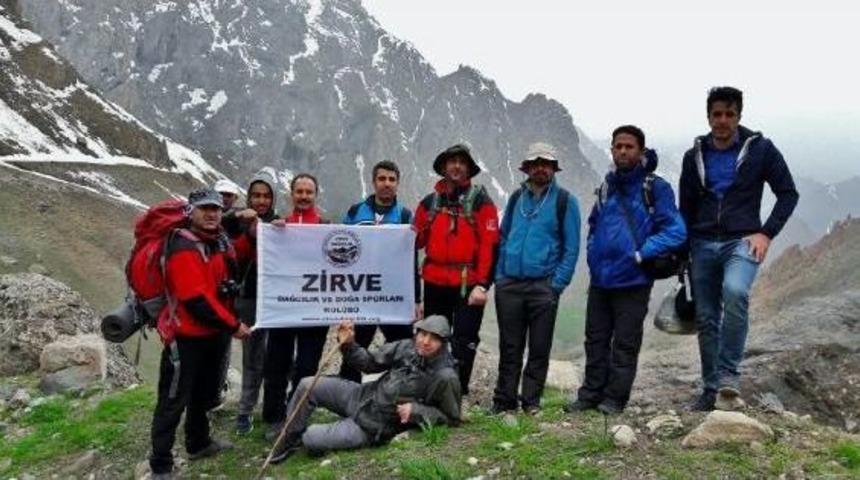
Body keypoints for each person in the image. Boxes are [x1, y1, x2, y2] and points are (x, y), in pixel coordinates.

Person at [679, 87, 798, 411]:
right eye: (717, 114)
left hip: (742, 240)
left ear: (739, 116)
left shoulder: (761, 149)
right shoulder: (695, 156)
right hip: (701, 243)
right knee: (705, 317)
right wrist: (683, 249)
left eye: (729, 114)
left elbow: (788, 193)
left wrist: (766, 233)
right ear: (708, 116)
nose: (722, 120)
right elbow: (685, 206)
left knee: (735, 292)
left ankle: (728, 375)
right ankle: (710, 388)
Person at [566, 125, 687, 415]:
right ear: (612, 150)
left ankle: (614, 399)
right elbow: (594, 224)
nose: (622, 151)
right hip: (601, 279)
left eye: (629, 146)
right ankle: (589, 395)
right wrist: (594, 256)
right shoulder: (607, 186)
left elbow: (677, 230)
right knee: (595, 340)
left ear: (641, 151)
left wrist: (642, 252)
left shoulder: (654, 187)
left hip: (633, 279)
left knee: (625, 343)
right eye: (618, 146)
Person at [148, 189, 251, 479]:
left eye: (216, 209)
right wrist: (233, 325)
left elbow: (232, 269)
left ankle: (198, 442)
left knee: (203, 393)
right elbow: (195, 300)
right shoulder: (182, 245)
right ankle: (160, 464)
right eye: (205, 208)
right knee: (172, 399)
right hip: (186, 337)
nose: (212, 213)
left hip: (212, 335)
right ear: (190, 211)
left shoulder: (217, 240)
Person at [269, 316, 461, 463]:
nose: (425, 341)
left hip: (372, 427)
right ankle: (288, 439)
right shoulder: (407, 347)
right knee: (306, 385)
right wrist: (349, 344)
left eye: (433, 339)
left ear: (443, 344)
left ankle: (315, 435)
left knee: (311, 437)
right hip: (361, 396)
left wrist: (417, 411)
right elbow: (369, 363)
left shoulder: (445, 377)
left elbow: (451, 417)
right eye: (422, 334)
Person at [492, 142, 581, 414]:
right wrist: (500, 274)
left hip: (543, 286)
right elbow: (504, 235)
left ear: (554, 168)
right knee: (509, 347)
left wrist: (556, 285)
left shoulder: (566, 201)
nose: (541, 168)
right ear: (527, 167)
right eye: (536, 163)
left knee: (539, 347)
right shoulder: (517, 198)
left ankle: (531, 402)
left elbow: (572, 246)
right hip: (509, 284)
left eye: (547, 163)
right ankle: (504, 402)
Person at [413, 144, 499, 395]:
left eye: (462, 162)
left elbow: (490, 246)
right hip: (435, 281)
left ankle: (456, 392)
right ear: (443, 167)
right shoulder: (429, 202)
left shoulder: (482, 202)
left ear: (469, 169)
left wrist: (483, 284)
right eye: (452, 161)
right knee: (432, 337)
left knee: (464, 340)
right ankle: (430, 389)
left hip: (468, 283)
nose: (457, 166)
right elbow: (414, 242)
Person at [263, 173, 331, 439]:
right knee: (276, 365)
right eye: (299, 191)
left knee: (306, 367)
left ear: (316, 195)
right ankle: (273, 417)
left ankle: (296, 416)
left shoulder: (326, 226)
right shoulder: (279, 227)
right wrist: (272, 233)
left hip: (315, 309)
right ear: (291, 194)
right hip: (284, 308)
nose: (304, 196)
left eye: (309, 192)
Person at [338, 160, 420, 383]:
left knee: (404, 347)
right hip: (362, 293)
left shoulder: (404, 215)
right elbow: (341, 251)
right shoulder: (355, 212)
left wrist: (416, 299)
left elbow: (411, 260)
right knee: (354, 346)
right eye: (382, 179)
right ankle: (345, 398)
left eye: (392, 179)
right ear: (373, 182)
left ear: (398, 184)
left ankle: (400, 397)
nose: (387, 183)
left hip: (392, 295)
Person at [232, 169, 280, 434]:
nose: (261, 201)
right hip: (249, 299)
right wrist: (250, 235)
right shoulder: (237, 223)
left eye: (266, 196)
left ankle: (274, 406)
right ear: (249, 198)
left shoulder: (278, 223)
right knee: (252, 357)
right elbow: (234, 258)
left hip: (277, 299)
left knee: (279, 355)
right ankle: (245, 410)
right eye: (256, 196)